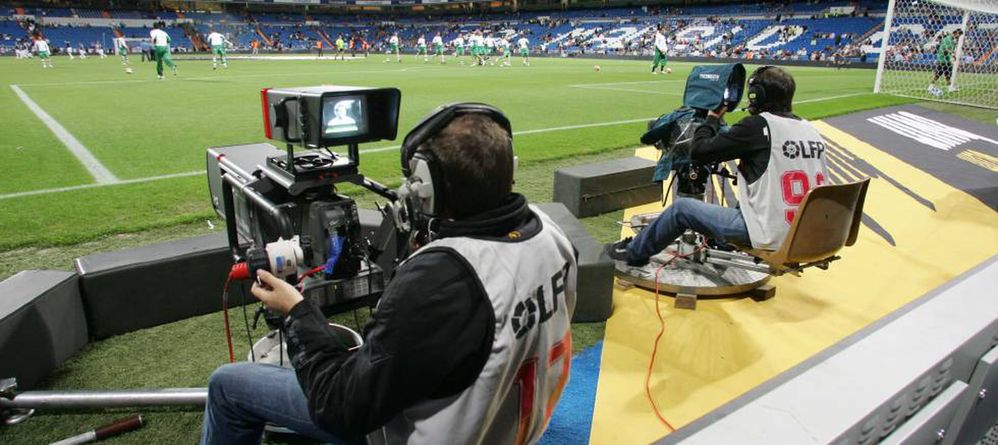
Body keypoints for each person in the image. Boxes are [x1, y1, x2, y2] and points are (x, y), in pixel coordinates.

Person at [201, 104, 577, 444]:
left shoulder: (441, 281)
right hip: (504, 423)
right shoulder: (551, 232)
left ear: (424, 188)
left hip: (420, 431)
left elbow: (340, 407)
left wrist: (297, 312)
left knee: (227, 386)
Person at [608, 66, 829, 265]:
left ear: (756, 95)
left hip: (768, 233)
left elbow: (700, 152)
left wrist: (712, 119)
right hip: (806, 233)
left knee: (681, 209)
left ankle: (634, 252)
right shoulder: (811, 131)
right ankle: (721, 242)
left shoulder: (758, 126)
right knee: (750, 200)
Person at [928, 28, 962, 96]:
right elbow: (945, 49)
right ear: (956, 33)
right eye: (959, 35)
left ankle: (950, 88)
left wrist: (952, 55)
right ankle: (930, 86)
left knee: (948, 75)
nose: (959, 36)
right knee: (937, 75)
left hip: (947, 61)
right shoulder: (948, 40)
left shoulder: (951, 39)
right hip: (942, 60)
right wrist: (952, 54)